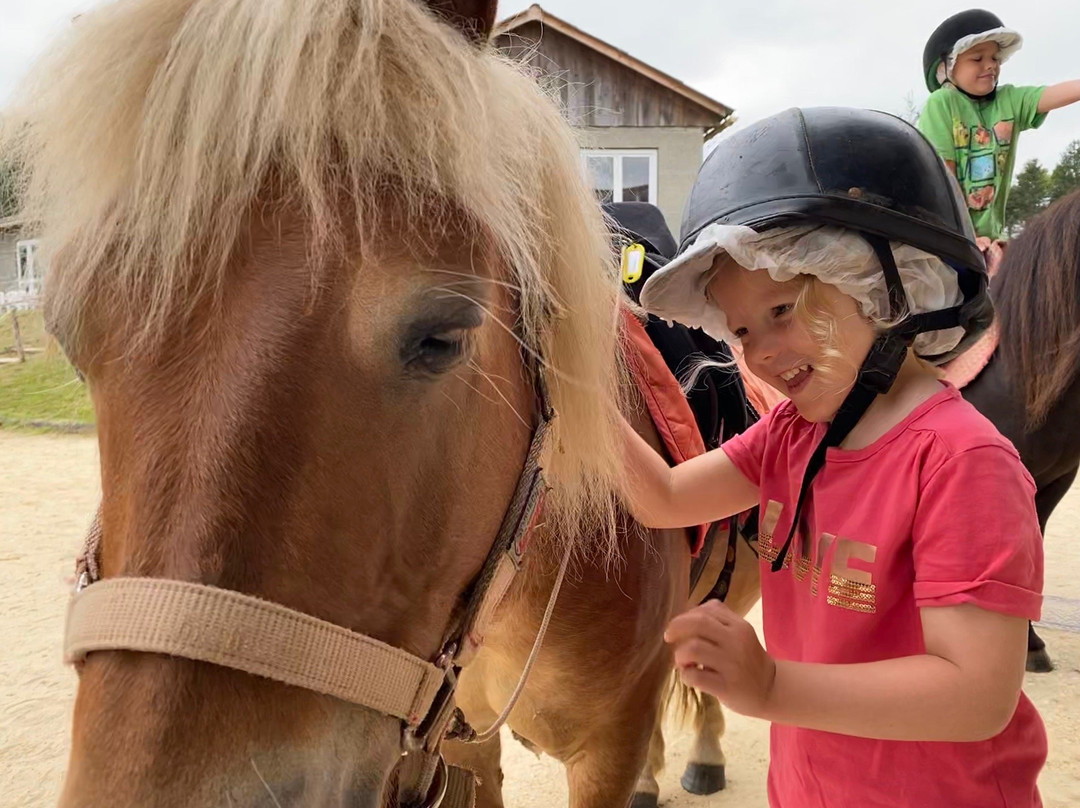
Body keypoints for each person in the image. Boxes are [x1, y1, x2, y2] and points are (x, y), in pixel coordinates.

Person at [620, 107, 1046, 807]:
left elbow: (977, 695)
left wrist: (773, 687)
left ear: (886, 287)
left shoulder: (960, 460)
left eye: (782, 311)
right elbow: (663, 496)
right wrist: (564, 384)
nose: (756, 352)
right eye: (743, 328)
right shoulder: (794, 435)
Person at [918, 9, 1080, 250]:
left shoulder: (1009, 101)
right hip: (948, 234)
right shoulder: (941, 104)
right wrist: (966, 235)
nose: (990, 65)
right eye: (977, 59)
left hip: (991, 239)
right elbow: (944, 179)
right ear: (947, 67)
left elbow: (1052, 94)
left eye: (995, 58)